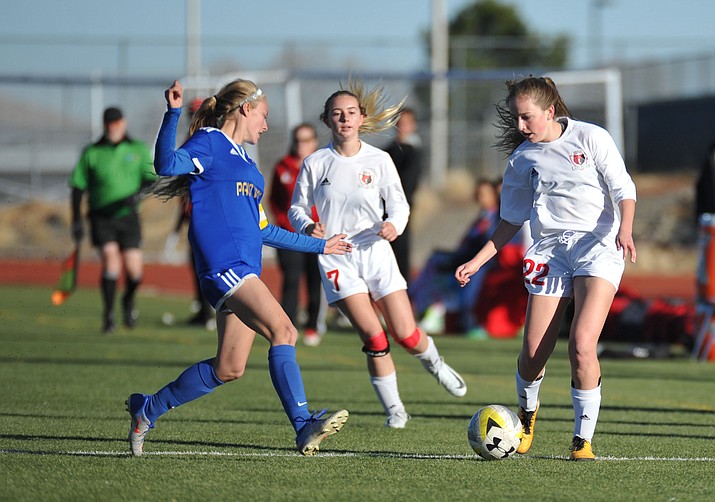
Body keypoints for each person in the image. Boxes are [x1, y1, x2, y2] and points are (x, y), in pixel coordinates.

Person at [126, 79, 353, 457]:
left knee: (228, 368)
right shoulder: (210, 143)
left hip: (243, 272)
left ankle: (146, 409)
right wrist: (173, 113)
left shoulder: (249, 168)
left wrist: (321, 245)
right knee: (285, 330)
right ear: (246, 108)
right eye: (264, 116)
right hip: (225, 269)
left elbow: (264, 230)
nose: (266, 126)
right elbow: (165, 164)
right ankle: (303, 425)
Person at [455, 76, 637, 461]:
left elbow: (624, 189)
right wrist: (476, 261)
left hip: (598, 246)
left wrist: (626, 229)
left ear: (550, 111)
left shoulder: (592, 138)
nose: (521, 127)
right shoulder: (523, 159)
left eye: (527, 118)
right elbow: (510, 221)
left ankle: (582, 440)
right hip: (550, 251)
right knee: (533, 352)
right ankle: (526, 417)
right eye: (516, 119)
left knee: (582, 345)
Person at [288, 80, 467, 430]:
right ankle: (396, 409)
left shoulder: (380, 159)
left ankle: (434, 363)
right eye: (337, 114)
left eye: (351, 113)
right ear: (327, 121)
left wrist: (393, 226)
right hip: (337, 258)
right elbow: (297, 208)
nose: (344, 119)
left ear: (361, 119)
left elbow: (399, 204)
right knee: (374, 337)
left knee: (406, 333)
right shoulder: (315, 163)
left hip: (376, 253)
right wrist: (309, 227)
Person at [69, 106, 156, 334]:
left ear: (123, 123)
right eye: (109, 124)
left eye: (116, 123)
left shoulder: (137, 149)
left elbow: (151, 181)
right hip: (101, 217)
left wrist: (138, 194)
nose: (113, 128)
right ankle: (108, 315)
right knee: (110, 261)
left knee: (134, 270)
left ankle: (128, 300)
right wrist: (76, 220)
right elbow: (77, 187)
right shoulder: (92, 152)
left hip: (128, 217)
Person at [411, 178, 501, 339]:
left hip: (485, 263)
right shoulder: (481, 217)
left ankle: (468, 321)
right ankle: (425, 308)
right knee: (435, 262)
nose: (481, 198)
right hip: (467, 258)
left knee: (471, 283)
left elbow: (490, 243)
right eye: (478, 194)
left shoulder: (497, 218)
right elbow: (466, 244)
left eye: (485, 194)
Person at [268, 123, 327, 346]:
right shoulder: (283, 167)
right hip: (289, 235)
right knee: (291, 279)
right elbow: (274, 200)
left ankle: (313, 326)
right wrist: (283, 222)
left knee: (315, 280)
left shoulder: (324, 166)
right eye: (297, 140)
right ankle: (288, 325)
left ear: (314, 142)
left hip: (317, 235)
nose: (301, 145)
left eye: (306, 140)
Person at [163, 97, 216, 330]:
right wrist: (178, 224)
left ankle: (213, 311)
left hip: (211, 215)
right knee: (198, 264)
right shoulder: (192, 141)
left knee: (211, 264)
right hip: (195, 214)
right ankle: (204, 310)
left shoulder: (211, 141)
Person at [384, 108, 423, 283]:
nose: (402, 127)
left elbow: (408, 184)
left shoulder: (414, 153)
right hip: (380, 210)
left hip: (401, 210)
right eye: (399, 123)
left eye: (406, 123)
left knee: (400, 253)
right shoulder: (385, 152)